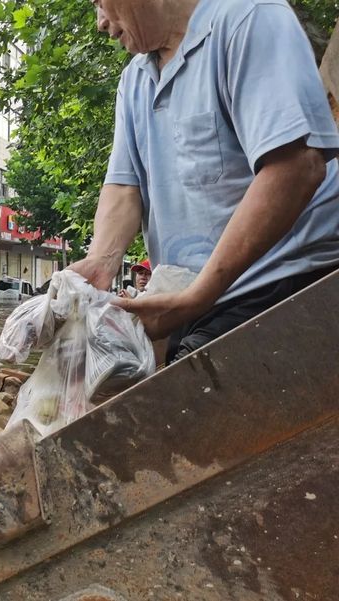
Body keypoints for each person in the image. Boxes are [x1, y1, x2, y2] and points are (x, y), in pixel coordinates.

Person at [74, 0, 339, 363]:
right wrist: (101, 261)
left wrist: (198, 296)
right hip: (197, 303)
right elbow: (124, 187)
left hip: (285, 287)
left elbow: (296, 167)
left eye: (99, 2)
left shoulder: (249, 18)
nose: (101, 23)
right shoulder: (134, 81)